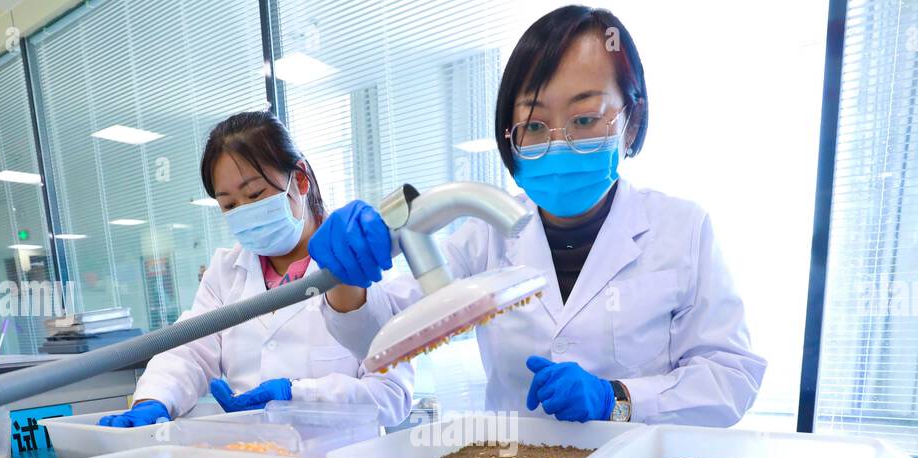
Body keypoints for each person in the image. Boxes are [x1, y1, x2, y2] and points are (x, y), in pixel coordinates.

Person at [308, 5, 764, 426]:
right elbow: (386, 337)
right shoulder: (485, 234)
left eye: (585, 119)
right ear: (511, 138)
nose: (560, 143)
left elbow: (730, 378)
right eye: (535, 126)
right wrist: (348, 280)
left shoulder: (682, 229)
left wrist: (618, 399)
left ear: (633, 121)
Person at [99, 112, 412, 427]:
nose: (245, 211)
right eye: (230, 205)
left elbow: (391, 397)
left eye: (255, 194)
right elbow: (190, 352)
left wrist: (298, 395)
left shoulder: (360, 259)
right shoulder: (226, 271)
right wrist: (154, 400)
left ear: (300, 180)